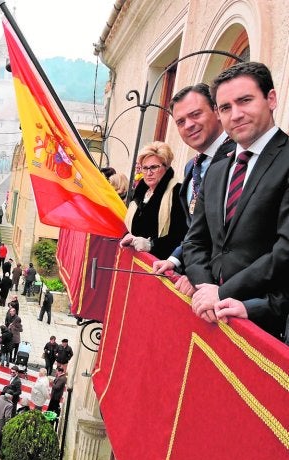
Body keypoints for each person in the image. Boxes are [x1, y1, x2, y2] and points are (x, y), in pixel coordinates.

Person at [182, 62, 289, 337]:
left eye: (245, 101)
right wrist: (205, 287)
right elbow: (195, 241)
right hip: (211, 317)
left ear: (271, 99)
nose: (236, 114)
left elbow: (285, 250)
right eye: (226, 108)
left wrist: (224, 292)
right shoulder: (217, 170)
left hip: (266, 320)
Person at [152, 83, 236, 279]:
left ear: (216, 111)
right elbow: (197, 228)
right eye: (180, 121)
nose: (188, 125)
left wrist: (200, 278)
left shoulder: (241, 155)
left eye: (195, 114)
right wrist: (174, 260)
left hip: (229, 285)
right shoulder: (192, 166)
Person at [120, 142, 188, 260]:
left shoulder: (177, 192)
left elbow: (181, 236)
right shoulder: (139, 194)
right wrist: (127, 236)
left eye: (154, 167)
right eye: (145, 168)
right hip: (134, 261)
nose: (148, 173)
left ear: (166, 167)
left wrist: (151, 245)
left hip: (161, 264)